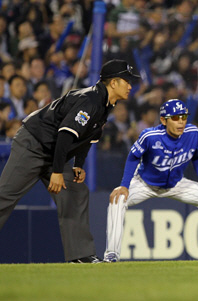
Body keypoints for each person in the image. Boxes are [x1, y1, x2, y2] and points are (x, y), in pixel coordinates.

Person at [0, 59, 140, 263]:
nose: (130, 85)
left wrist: (77, 165)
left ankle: (80, 255)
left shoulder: (105, 104)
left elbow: (87, 138)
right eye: (126, 81)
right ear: (113, 83)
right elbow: (65, 134)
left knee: (76, 192)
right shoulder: (90, 100)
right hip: (33, 144)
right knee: (5, 195)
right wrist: (57, 172)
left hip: (54, 151)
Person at [103, 99, 198, 262]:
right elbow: (133, 157)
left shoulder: (192, 133)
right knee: (118, 199)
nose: (180, 122)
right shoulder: (150, 136)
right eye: (175, 118)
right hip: (145, 184)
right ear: (164, 120)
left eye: (183, 117)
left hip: (177, 184)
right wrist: (124, 185)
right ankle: (112, 254)